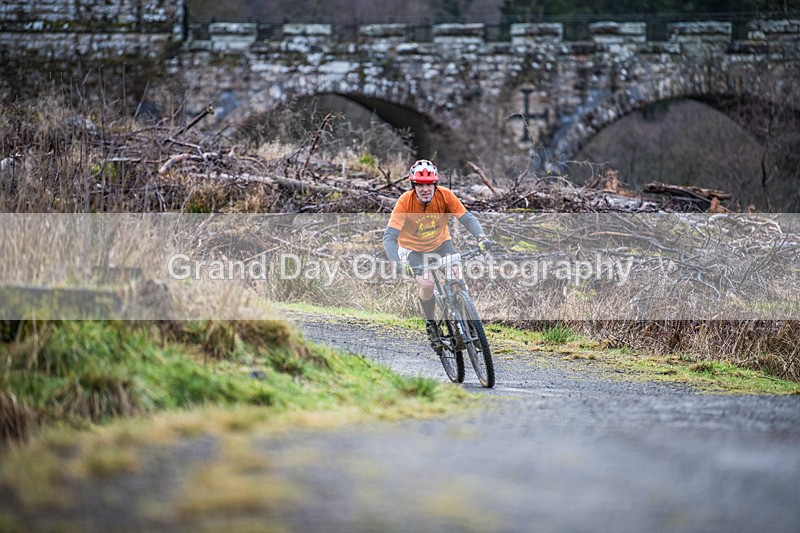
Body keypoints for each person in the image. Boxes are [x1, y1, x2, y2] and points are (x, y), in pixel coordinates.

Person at [383, 159, 491, 350]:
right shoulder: (404, 203)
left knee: (457, 279)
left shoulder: (445, 196)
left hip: (441, 244)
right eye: (420, 185)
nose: (425, 189)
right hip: (412, 250)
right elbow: (389, 237)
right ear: (413, 186)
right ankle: (432, 325)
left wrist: (481, 237)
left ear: (435, 184)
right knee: (427, 284)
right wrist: (396, 262)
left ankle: (465, 325)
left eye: (429, 185)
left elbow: (467, 218)